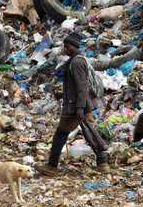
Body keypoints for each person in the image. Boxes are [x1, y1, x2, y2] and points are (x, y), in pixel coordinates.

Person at [36, 32, 108, 175]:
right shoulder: (78, 60)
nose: (65, 49)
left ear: (75, 47)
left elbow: (81, 87)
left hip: (76, 106)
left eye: (67, 46)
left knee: (60, 134)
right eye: (64, 46)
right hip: (80, 103)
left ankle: (51, 166)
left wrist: (79, 107)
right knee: (90, 133)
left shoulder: (76, 63)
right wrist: (62, 95)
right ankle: (103, 163)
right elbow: (76, 87)